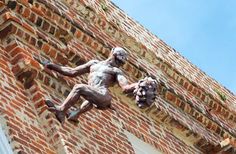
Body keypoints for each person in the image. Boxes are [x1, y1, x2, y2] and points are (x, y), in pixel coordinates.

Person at [42, 47, 157, 124]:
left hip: (103, 95)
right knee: (89, 95)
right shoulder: (94, 64)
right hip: (95, 92)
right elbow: (72, 72)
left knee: (79, 87)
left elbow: (125, 87)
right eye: (118, 59)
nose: (118, 63)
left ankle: (61, 110)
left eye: (121, 62)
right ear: (112, 54)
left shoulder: (116, 71)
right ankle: (75, 114)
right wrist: (51, 65)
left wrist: (138, 85)